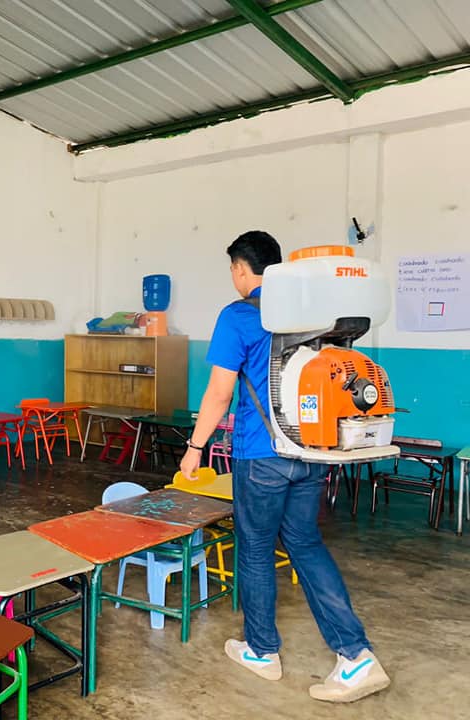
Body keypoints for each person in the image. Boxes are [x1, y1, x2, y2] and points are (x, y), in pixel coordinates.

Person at [179, 230, 390, 703]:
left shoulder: (238, 316)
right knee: (305, 543)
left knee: (255, 549)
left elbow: (219, 393)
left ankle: (262, 651)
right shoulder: (311, 313)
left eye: (232, 270)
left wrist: (195, 447)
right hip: (309, 450)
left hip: (261, 456)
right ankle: (356, 656)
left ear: (240, 269)